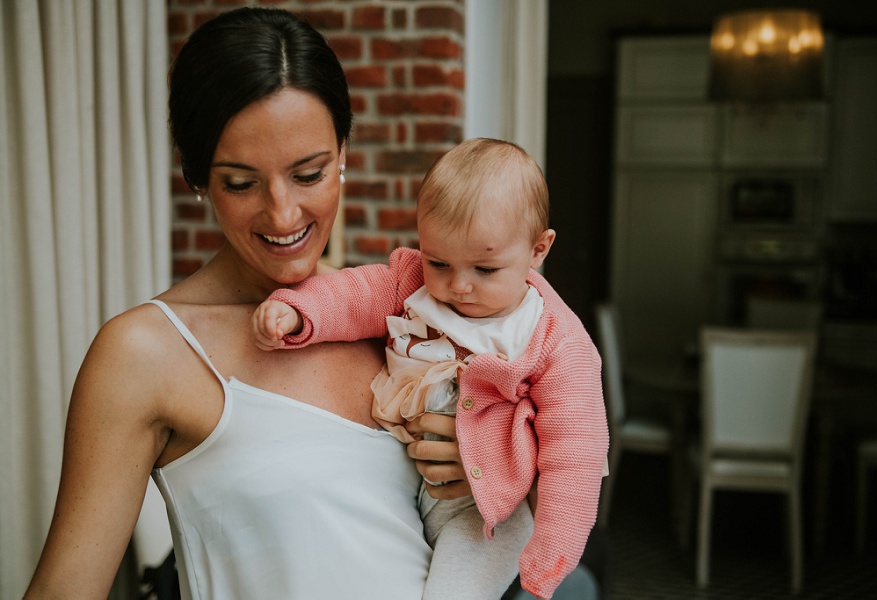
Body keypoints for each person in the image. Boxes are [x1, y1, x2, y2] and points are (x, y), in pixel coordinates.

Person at [24, 8, 471, 599]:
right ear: (198, 177)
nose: (283, 215)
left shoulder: (398, 317)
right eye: (240, 183)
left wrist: (486, 466)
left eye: (308, 174)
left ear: (343, 151)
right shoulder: (143, 354)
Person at [252, 138, 610, 599]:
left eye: (484, 269)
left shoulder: (553, 339)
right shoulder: (415, 282)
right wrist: (299, 312)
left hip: (482, 513)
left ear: (538, 249)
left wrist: (551, 553)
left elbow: (575, 450)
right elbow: (355, 293)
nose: (458, 286)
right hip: (394, 475)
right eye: (439, 261)